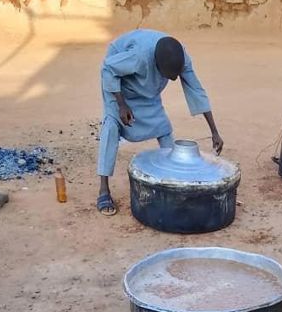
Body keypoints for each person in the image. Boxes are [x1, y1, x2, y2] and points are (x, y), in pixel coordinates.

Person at [96, 30, 224, 216]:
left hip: (149, 90)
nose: (173, 80)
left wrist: (214, 131)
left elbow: (196, 90)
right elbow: (109, 69)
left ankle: (174, 182)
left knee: (164, 128)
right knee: (111, 127)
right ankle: (103, 190)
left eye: (175, 75)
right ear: (156, 64)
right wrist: (121, 105)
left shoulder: (181, 58)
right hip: (118, 83)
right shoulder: (139, 57)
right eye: (169, 75)